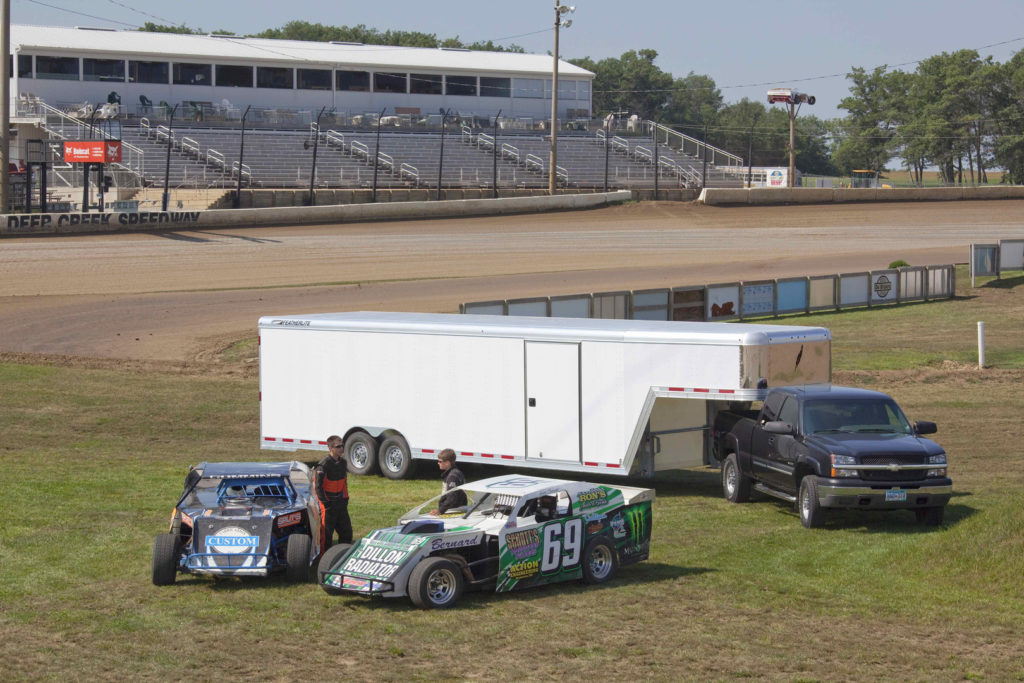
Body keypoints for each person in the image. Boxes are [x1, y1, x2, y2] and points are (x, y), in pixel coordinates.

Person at [315, 435, 352, 549]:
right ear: (331, 449)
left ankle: (343, 554)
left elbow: (344, 483)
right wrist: (326, 504)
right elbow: (317, 487)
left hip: (340, 503)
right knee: (326, 536)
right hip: (328, 505)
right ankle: (324, 560)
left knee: (347, 532)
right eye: (338, 446)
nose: (341, 448)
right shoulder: (323, 465)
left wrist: (345, 498)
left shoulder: (343, 463)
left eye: (342, 446)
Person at [432, 448, 466, 514]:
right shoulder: (457, 472)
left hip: (453, 511)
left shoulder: (452, 477)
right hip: (458, 509)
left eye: (440, 461)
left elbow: (452, 498)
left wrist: (440, 510)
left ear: (447, 463)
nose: (438, 463)